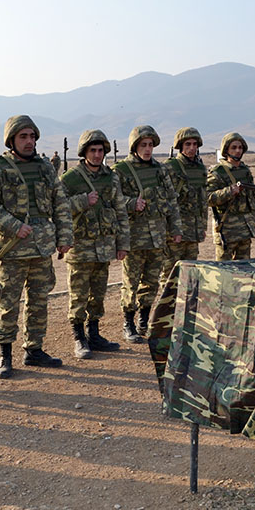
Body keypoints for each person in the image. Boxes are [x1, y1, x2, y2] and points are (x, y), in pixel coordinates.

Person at [0, 115, 73, 378]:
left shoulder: (45, 167)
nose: (29, 141)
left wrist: (64, 238)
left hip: (42, 248)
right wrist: (13, 226)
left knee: (39, 301)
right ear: (11, 140)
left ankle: (34, 350)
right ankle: (5, 355)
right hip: (12, 249)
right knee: (8, 303)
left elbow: (60, 203)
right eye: (23, 136)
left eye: (32, 136)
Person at [60, 129, 130, 358]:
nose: (97, 155)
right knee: (79, 294)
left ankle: (94, 334)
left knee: (98, 294)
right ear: (84, 152)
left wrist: (123, 243)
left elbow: (120, 209)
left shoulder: (111, 177)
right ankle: (79, 338)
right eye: (93, 150)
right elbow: (58, 208)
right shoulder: (71, 178)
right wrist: (82, 201)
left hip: (104, 245)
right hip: (80, 247)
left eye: (100, 150)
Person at [113, 125, 182, 343]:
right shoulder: (121, 170)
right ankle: (128, 323)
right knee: (131, 283)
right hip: (133, 237)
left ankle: (144, 320)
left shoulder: (160, 170)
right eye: (143, 145)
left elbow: (172, 201)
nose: (148, 149)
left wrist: (176, 229)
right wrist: (131, 203)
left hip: (157, 237)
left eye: (151, 145)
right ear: (135, 146)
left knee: (151, 282)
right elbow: (112, 199)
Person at [160, 127, 207, 288]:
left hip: (193, 230)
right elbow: (164, 201)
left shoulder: (200, 169)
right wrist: (171, 229)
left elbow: (202, 200)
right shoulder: (170, 167)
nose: (192, 148)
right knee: (170, 274)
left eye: (195, 144)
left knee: (191, 274)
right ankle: (167, 311)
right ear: (180, 146)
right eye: (188, 144)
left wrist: (202, 226)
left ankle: (186, 309)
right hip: (174, 231)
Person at [206, 132, 255, 260]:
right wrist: (229, 191)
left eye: (240, 148)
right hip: (226, 229)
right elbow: (208, 198)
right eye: (234, 148)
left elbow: (252, 198)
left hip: (245, 228)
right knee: (223, 270)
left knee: (244, 269)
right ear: (226, 150)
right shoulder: (218, 172)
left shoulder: (245, 171)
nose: (237, 151)